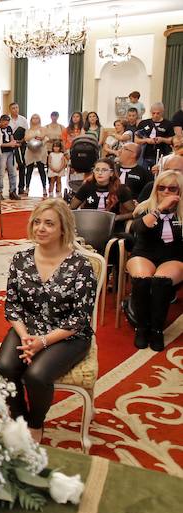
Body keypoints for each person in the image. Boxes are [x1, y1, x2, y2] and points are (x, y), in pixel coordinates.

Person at [0, 199, 97, 443]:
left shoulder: (81, 265)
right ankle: (19, 417)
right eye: (37, 222)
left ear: (63, 228)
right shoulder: (21, 259)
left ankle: (35, 423)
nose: (41, 228)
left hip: (68, 335)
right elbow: (12, 306)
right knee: (5, 368)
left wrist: (42, 342)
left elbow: (79, 318)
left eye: (49, 224)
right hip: (27, 328)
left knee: (36, 375)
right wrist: (25, 336)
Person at [126, 170, 183, 351]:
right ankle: (142, 328)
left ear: (180, 191)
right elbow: (139, 229)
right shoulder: (145, 207)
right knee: (142, 279)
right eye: (161, 187)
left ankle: (157, 330)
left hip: (172, 257)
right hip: (144, 254)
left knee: (161, 282)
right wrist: (160, 209)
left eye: (172, 188)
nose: (166, 191)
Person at [70, 159, 135, 225]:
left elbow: (134, 212)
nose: (100, 173)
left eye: (104, 170)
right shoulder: (87, 186)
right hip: (88, 223)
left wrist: (118, 217)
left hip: (112, 225)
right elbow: (71, 208)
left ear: (111, 173)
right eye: (97, 170)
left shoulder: (120, 189)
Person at [135, 103, 175, 170]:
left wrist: (162, 139)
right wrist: (146, 140)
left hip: (162, 155)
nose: (155, 115)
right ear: (150, 112)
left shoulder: (168, 124)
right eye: (153, 113)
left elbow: (172, 140)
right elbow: (136, 140)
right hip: (145, 155)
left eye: (158, 113)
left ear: (162, 112)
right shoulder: (143, 123)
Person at [24, 114, 48, 195]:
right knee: (29, 170)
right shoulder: (28, 130)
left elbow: (43, 137)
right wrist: (35, 136)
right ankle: (27, 187)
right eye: (33, 118)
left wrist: (38, 137)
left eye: (37, 118)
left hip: (40, 150)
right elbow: (26, 138)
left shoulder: (43, 128)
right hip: (30, 151)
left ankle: (44, 187)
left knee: (41, 170)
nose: (35, 119)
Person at [8, 103, 29, 195]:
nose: (15, 109)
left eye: (17, 107)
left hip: (21, 145)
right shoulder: (7, 119)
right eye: (13, 108)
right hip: (10, 145)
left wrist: (21, 141)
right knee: (11, 168)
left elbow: (27, 133)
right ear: (10, 110)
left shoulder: (23, 119)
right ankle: (12, 189)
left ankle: (21, 187)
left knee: (22, 165)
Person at [0, 114, 21, 199]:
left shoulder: (9, 128)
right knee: (1, 172)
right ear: (1, 121)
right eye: (4, 123)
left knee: (13, 172)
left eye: (7, 123)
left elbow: (11, 138)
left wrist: (14, 143)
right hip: (2, 152)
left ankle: (13, 191)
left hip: (10, 152)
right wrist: (9, 144)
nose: (6, 125)